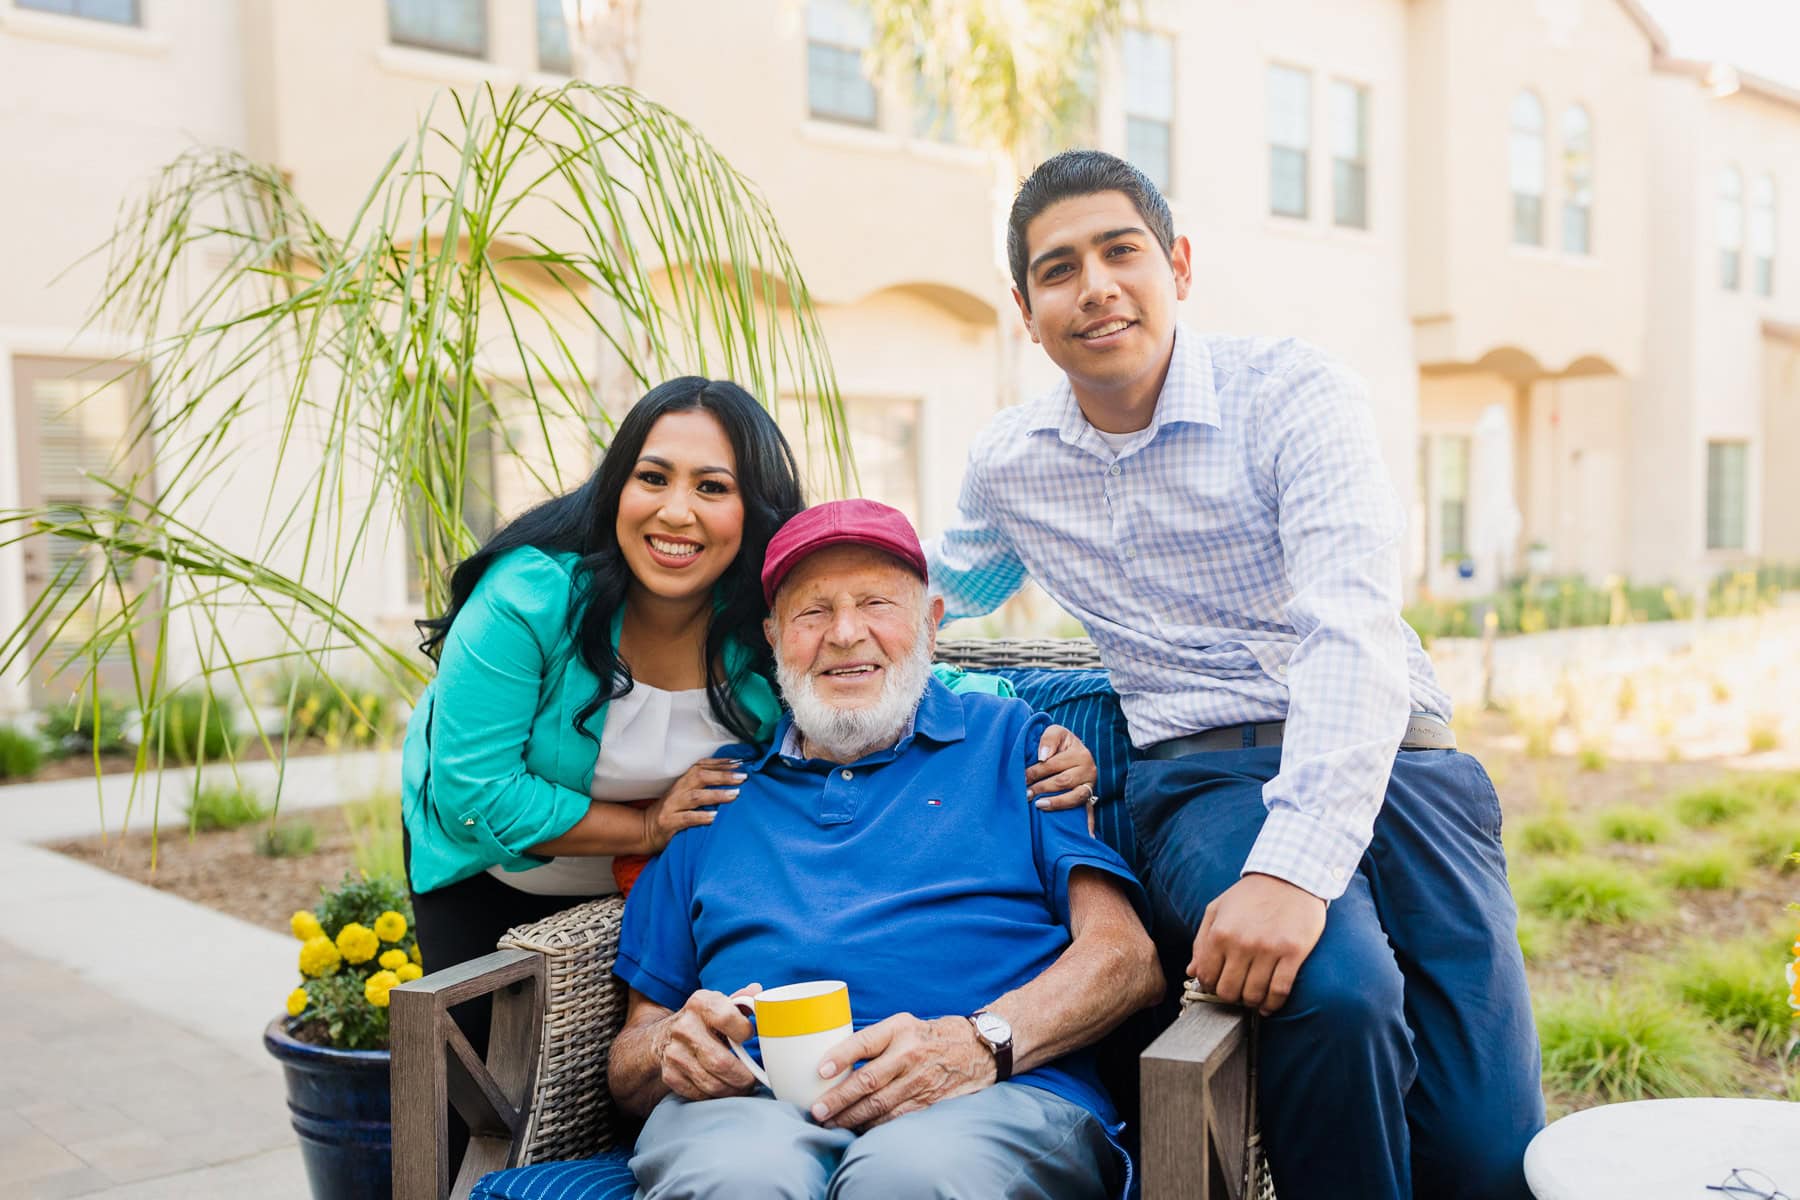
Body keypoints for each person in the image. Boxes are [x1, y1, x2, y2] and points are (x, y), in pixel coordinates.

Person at [926, 150, 1543, 1200]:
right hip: (1206, 786)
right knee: (1333, 991)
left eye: (1122, 252)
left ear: (1179, 266)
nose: (1098, 286)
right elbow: (924, 600)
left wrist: (1297, 868)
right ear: (1028, 312)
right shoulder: (1012, 464)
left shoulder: (1292, 393)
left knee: (1490, 1155)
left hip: (1403, 762)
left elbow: (1351, 625)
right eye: (1059, 269)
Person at [400, 379, 1097, 1048]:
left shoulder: (759, 628)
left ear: (752, 511)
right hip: (497, 871)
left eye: (712, 487)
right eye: (653, 478)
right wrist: (644, 824)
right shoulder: (528, 598)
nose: (677, 511)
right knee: (471, 1089)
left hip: (665, 887)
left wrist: (1036, 733)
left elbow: (895, 669)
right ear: (616, 487)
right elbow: (475, 793)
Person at [606, 499, 1164, 1199]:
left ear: (930, 623)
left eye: (877, 603)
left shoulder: (1018, 747)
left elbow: (1126, 958)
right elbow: (631, 1056)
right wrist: (669, 1050)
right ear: (775, 637)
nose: (845, 634)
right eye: (813, 612)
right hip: (751, 1111)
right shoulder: (715, 795)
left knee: (908, 1181)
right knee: (737, 1182)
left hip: (988, 1095)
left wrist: (982, 1041)